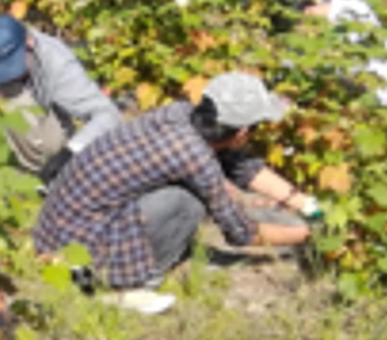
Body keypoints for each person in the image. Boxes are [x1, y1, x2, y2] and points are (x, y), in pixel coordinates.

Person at [33, 72, 321, 314]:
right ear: (243, 132)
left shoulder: (180, 115)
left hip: (56, 230)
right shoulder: (193, 157)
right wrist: (310, 235)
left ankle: (123, 263)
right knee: (188, 202)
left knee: (185, 189)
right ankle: (123, 285)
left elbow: (239, 165)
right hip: (78, 252)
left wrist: (307, 204)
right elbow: (241, 232)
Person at [0, 14, 122, 183]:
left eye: (13, 66)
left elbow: (107, 114)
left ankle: (39, 173)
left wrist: (70, 152)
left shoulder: (57, 62)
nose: (9, 77)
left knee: (16, 99)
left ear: (29, 42)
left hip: (48, 125)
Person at [272, 0, 387, 111]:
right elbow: (287, 68)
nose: (300, 32)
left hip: (383, 103)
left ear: (308, 12)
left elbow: (346, 65)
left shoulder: (353, 10)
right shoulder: (309, 37)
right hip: (351, 106)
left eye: (298, 25)